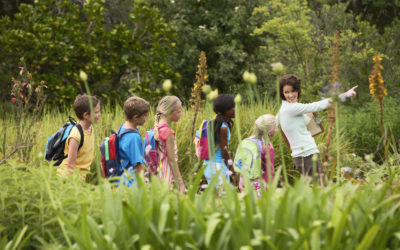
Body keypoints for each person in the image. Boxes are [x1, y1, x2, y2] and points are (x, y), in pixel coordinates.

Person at [277, 74, 357, 180]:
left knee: (316, 189)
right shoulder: (291, 108)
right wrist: (345, 95)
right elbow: (317, 105)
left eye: (293, 91)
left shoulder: (287, 108)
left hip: (305, 154)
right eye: (287, 92)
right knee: (320, 188)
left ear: (298, 91)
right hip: (305, 155)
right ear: (282, 93)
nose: (290, 95)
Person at [58, 94, 101, 180]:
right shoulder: (75, 135)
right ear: (86, 115)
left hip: (80, 177)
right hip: (68, 179)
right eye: (96, 112)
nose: (99, 114)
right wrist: (77, 186)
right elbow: (71, 165)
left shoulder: (90, 128)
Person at [235, 114, 277, 193]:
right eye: (275, 127)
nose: (277, 130)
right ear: (269, 131)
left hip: (244, 182)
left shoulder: (246, 142)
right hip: (259, 184)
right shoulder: (267, 147)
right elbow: (269, 171)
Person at [153, 96, 186, 193]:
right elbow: (172, 161)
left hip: (157, 172)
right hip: (165, 174)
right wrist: (181, 184)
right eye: (179, 111)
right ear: (170, 113)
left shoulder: (157, 129)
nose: (181, 114)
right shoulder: (168, 133)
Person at [204, 94, 237, 186]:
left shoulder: (213, 123)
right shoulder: (223, 128)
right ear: (225, 109)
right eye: (232, 107)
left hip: (208, 165)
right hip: (218, 167)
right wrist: (233, 173)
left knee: (216, 198)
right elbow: (225, 153)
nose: (235, 109)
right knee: (223, 198)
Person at [118, 96, 150, 187]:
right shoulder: (133, 137)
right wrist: (144, 188)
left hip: (121, 179)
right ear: (136, 117)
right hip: (131, 183)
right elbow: (138, 166)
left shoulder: (123, 127)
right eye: (145, 115)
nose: (146, 118)